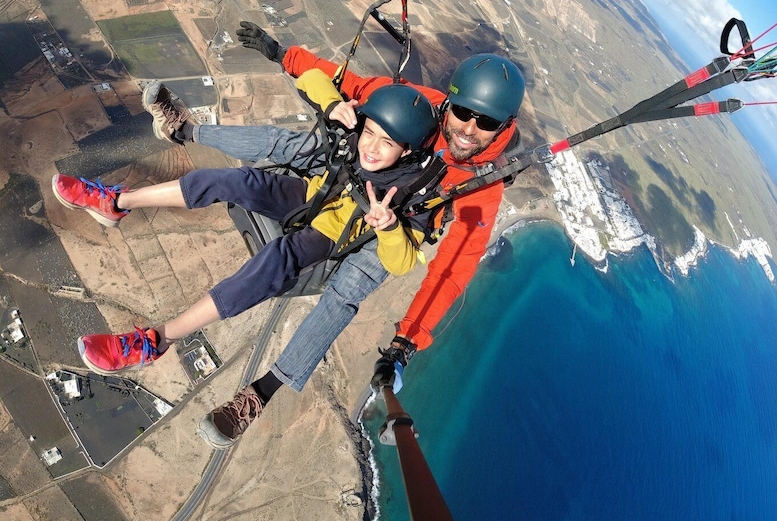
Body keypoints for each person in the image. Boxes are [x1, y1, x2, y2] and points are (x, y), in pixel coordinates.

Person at [145, 23, 526, 449]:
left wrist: (405, 343)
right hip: (358, 182)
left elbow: (452, 271)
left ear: (505, 125)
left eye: (486, 121)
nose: (469, 129)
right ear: (450, 102)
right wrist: (282, 54)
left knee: (347, 290)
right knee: (285, 144)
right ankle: (184, 131)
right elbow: (354, 84)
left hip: (396, 229)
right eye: (463, 112)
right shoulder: (425, 107)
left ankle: (258, 395)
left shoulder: (483, 189)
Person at [52, 76, 440, 379]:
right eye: (369, 132)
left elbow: (403, 262)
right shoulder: (358, 135)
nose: (370, 147)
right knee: (236, 181)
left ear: (406, 151)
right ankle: (115, 202)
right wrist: (335, 103)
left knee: (278, 259)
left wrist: (388, 227)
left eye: (386, 143)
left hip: (333, 233)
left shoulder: (409, 190)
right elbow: (311, 80)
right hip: (311, 193)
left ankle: (155, 341)